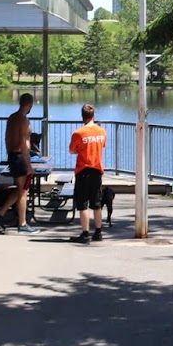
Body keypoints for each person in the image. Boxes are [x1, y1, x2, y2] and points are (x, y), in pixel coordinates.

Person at [0, 93, 38, 233]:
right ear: (30, 105)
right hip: (20, 157)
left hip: (12, 156)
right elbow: (25, 145)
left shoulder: (12, 118)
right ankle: (22, 223)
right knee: (23, 191)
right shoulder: (24, 121)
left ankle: (0, 214)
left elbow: (6, 138)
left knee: (19, 188)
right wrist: (29, 166)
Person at [68, 103, 107, 243]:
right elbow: (102, 146)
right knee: (96, 203)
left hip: (83, 170)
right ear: (93, 115)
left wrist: (80, 150)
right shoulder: (102, 132)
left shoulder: (78, 133)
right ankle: (98, 232)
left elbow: (72, 150)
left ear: (82, 116)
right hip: (97, 170)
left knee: (82, 204)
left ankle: (85, 234)